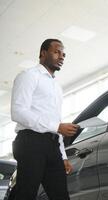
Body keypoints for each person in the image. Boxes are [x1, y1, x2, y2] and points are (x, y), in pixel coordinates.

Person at [11, 39, 79, 200]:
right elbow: (18, 112)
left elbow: (56, 121)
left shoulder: (56, 87)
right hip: (30, 142)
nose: (61, 56)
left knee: (61, 195)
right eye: (57, 52)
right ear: (43, 53)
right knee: (26, 193)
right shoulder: (28, 76)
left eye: (63, 54)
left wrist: (62, 156)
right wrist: (56, 126)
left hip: (52, 145)